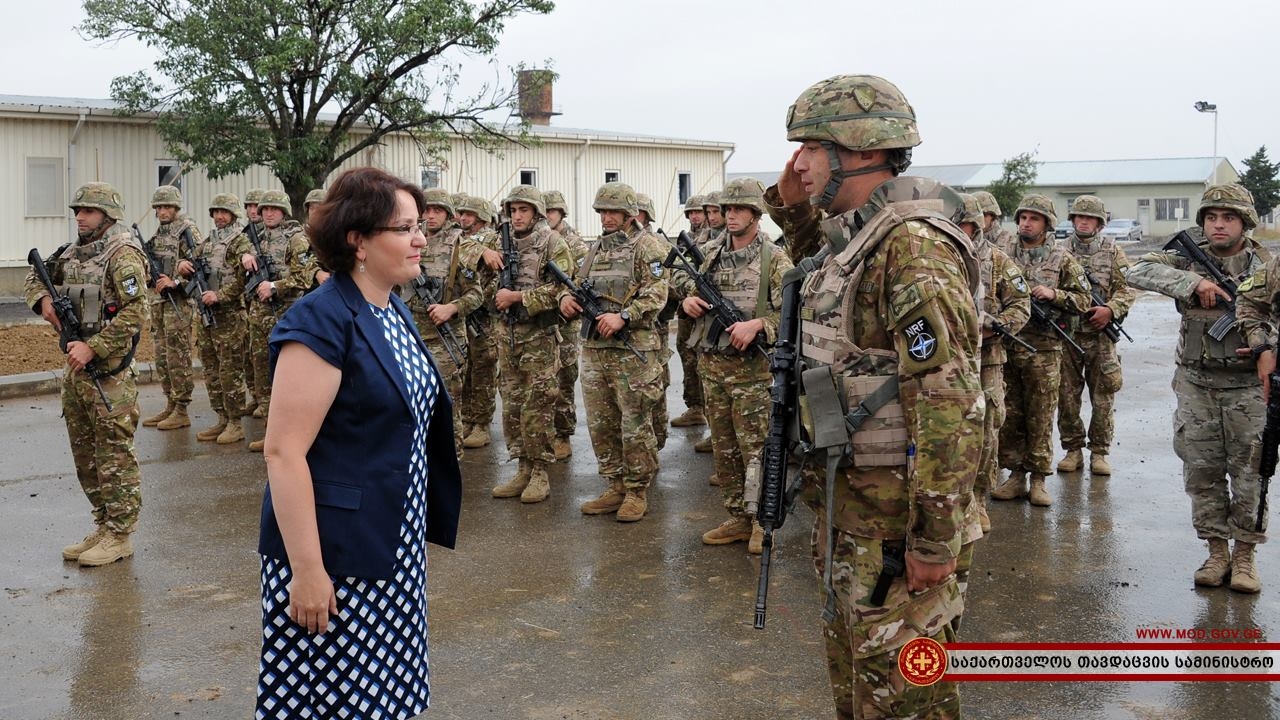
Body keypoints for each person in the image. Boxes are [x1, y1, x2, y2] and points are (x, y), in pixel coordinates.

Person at [764, 74, 983, 719]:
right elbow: (822, 285)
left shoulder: (913, 248)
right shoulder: (860, 236)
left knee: (906, 698)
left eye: (809, 145)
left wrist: (933, 542)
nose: (796, 162)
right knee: (861, 687)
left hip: (896, 530)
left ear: (857, 150)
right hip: (854, 514)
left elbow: (948, 401)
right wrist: (794, 206)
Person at [256, 167, 462, 718]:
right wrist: (307, 571)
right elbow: (283, 451)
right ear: (359, 241)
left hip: (390, 545)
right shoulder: (321, 322)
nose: (422, 239)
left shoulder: (389, 307)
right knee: (332, 701)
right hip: (334, 560)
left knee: (383, 698)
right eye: (405, 229)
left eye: (420, 226)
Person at [1131, 183, 1269, 593]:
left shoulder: (1265, 266)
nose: (1219, 225)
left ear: (1245, 222)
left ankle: (1244, 555)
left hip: (1247, 386)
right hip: (1196, 383)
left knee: (1251, 472)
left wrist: (1266, 345)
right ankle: (1216, 552)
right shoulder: (1186, 257)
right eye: (1211, 217)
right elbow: (1135, 271)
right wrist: (1191, 284)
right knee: (1202, 469)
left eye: (1228, 218)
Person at [25, 182, 149, 567]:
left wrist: (94, 346)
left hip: (108, 372)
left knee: (114, 452)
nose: (79, 216)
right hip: (77, 371)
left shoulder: (122, 254)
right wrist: (42, 300)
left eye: (88, 211)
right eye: (77, 210)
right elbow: (35, 275)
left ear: (108, 216)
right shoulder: (71, 252)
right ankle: (103, 524)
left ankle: (121, 534)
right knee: (86, 454)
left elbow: (135, 312)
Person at [676, 176, 792, 553]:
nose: (731, 216)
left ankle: (762, 521)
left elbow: (795, 311)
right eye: (727, 209)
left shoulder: (773, 259)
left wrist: (760, 324)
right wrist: (688, 303)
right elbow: (690, 291)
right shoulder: (711, 254)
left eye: (739, 209)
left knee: (757, 450)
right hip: (713, 368)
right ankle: (738, 517)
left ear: (756, 214)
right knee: (725, 452)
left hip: (753, 375)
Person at [562, 182, 669, 522]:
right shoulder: (595, 251)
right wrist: (565, 300)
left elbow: (657, 294)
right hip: (595, 348)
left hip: (633, 350)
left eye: (612, 212)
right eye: (602, 212)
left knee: (635, 422)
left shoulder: (646, 247)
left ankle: (637, 490)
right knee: (601, 422)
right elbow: (579, 286)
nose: (606, 218)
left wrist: (624, 316)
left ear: (628, 214)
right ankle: (614, 484)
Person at [990, 194, 1090, 507]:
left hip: (1045, 349)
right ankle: (1016, 476)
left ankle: (1039, 480)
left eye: (1033, 218)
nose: (1026, 223)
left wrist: (1054, 294)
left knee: (1041, 415)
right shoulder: (1002, 255)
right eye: (1022, 218)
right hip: (1007, 347)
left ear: (1047, 223)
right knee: (1011, 415)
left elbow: (1084, 300)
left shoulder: (1062, 259)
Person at [489, 185, 572, 503]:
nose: (517, 216)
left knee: (537, 407)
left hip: (538, 337)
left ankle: (540, 472)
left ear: (536, 212)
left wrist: (520, 297)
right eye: (513, 210)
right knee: (511, 407)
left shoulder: (552, 242)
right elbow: (480, 281)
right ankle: (522, 467)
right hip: (507, 337)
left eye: (523, 210)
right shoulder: (500, 242)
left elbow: (564, 288)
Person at [956, 192, 1030, 534]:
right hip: (949, 363)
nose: (961, 229)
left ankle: (979, 500)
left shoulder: (998, 262)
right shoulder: (938, 258)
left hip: (987, 361)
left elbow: (1020, 305)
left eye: (966, 224)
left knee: (986, 433)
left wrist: (997, 325)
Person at [400, 187, 488, 460]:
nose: (431, 215)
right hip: (409, 337)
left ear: (449, 215)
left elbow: (477, 295)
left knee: (447, 406)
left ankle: (450, 462)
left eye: (438, 210)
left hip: (444, 338)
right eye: (427, 210)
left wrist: (451, 308)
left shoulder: (460, 247)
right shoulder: (407, 241)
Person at [1055, 195, 1137, 476]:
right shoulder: (1059, 250)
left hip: (1101, 336)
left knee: (1103, 397)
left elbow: (1128, 288)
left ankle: (1100, 452)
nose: (1083, 222)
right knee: (1066, 396)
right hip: (1067, 334)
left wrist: (1111, 310)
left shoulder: (1113, 251)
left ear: (1100, 223)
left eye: (1089, 218)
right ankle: (1072, 450)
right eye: (1079, 217)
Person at [242, 189, 313, 451]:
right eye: (264, 209)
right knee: (262, 374)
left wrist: (275, 285)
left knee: (287, 376)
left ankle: (295, 435)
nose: (268, 213)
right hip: (258, 316)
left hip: (285, 314)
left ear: (284, 211)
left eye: (273, 209)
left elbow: (305, 277)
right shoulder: (255, 237)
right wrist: (244, 255)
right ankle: (272, 432)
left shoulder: (296, 239)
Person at [185, 192, 251, 446]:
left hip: (230, 317)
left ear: (234, 215)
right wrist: (182, 264)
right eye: (216, 212)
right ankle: (222, 418)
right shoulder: (209, 241)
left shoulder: (240, 242)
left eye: (224, 212)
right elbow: (193, 261)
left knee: (230, 371)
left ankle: (235, 423)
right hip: (207, 318)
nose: (220, 216)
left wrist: (220, 295)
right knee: (211, 369)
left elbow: (242, 278)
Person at [140, 185, 200, 431]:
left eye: (167, 207)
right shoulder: (160, 233)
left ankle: (182, 408)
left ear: (176, 207)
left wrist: (175, 281)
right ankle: (170, 403)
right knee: (162, 355)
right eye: (159, 207)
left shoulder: (187, 231)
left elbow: (200, 265)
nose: (163, 211)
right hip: (159, 303)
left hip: (179, 304)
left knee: (178, 356)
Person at [543, 189, 589, 460]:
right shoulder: (541, 240)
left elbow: (583, 283)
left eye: (552, 211)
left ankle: (563, 434)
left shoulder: (576, 244)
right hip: (543, 321)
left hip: (566, 324)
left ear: (561, 213)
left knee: (564, 379)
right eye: (545, 211)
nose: (547, 216)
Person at [456, 194, 502, 449]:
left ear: (482, 218)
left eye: (469, 214)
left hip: (484, 315)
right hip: (463, 312)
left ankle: (482, 423)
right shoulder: (461, 240)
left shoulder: (491, 239)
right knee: (465, 368)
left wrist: (483, 250)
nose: (463, 218)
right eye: (461, 214)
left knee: (483, 368)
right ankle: (467, 418)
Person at [671, 194, 709, 429]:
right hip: (686, 307)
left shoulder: (713, 238)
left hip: (706, 309)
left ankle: (706, 409)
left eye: (698, 212)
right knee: (686, 355)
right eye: (690, 212)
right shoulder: (685, 241)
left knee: (703, 360)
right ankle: (694, 406)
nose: (694, 216)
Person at [972, 190, 1016, 255]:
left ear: (993, 217)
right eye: (974, 215)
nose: (978, 219)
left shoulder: (1010, 242)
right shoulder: (968, 240)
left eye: (983, 215)